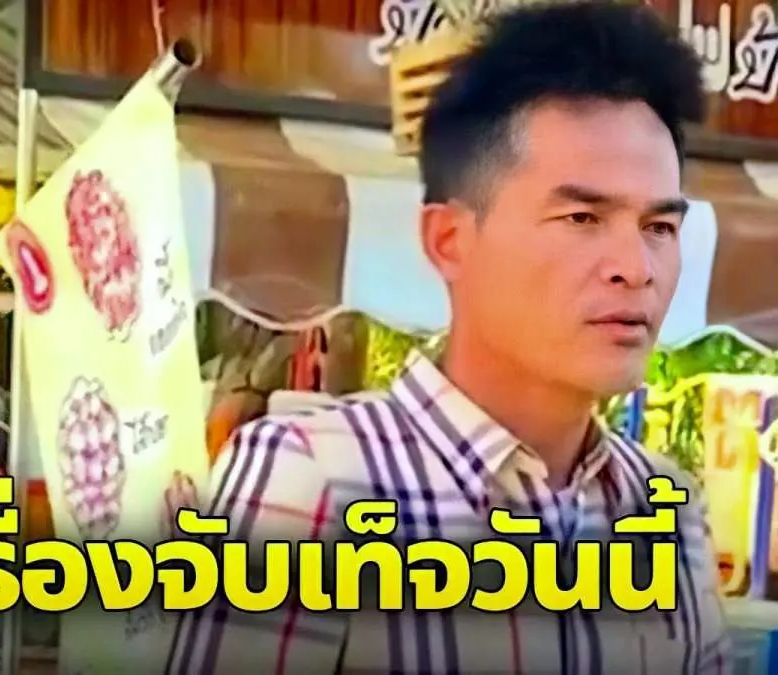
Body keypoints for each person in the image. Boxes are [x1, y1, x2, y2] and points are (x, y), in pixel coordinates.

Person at [168, 3, 728, 674]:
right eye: (583, 217)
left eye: (659, 228)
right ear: (450, 241)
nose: (635, 267)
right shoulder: (318, 481)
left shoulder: (665, 508)